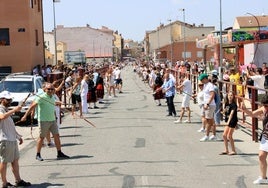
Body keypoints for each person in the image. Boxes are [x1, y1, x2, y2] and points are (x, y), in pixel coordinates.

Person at [21, 83, 69, 161]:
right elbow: (32, 106)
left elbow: (52, 104)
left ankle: (59, 153)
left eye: (51, 89)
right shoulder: (41, 97)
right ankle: (38, 154)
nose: (50, 90)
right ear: (45, 90)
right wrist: (25, 116)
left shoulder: (52, 96)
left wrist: (59, 103)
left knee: (56, 136)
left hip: (52, 120)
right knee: (41, 137)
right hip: (43, 120)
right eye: (48, 89)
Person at [0, 91, 31, 188]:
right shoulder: (1, 109)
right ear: (1, 99)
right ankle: (4, 183)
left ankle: (18, 180)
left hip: (11, 139)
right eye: (7, 99)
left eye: (10, 99)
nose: (9, 101)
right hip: (5, 139)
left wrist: (18, 136)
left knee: (15, 161)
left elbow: (10, 126)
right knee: (4, 161)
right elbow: (2, 117)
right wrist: (14, 110)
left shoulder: (5, 109)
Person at [242, 95, 268, 184]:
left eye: (267, 105)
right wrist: (245, 110)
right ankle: (263, 178)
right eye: (264, 105)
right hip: (265, 136)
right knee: (261, 156)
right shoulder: (263, 109)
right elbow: (252, 114)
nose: (265, 107)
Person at [198, 74, 216, 142]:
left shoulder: (210, 85)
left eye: (202, 80)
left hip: (210, 105)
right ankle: (214, 135)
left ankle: (207, 135)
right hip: (207, 104)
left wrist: (207, 104)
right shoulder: (205, 85)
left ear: (205, 79)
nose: (201, 81)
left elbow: (212, 95)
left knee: (208, 121)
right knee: (211, 121)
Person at [220, 91, 238, 156]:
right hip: (228, 120)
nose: (230, 97)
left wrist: (228, 122)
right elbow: (226, 110)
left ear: (233, 97)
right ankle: (226, 150)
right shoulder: (227, 104)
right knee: (224, 135)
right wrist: (222, 112)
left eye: (231, 95)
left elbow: (231, 114)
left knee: (229, 136)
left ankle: (233, 150)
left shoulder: (234, 105)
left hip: (232, 121)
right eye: (229, 95)